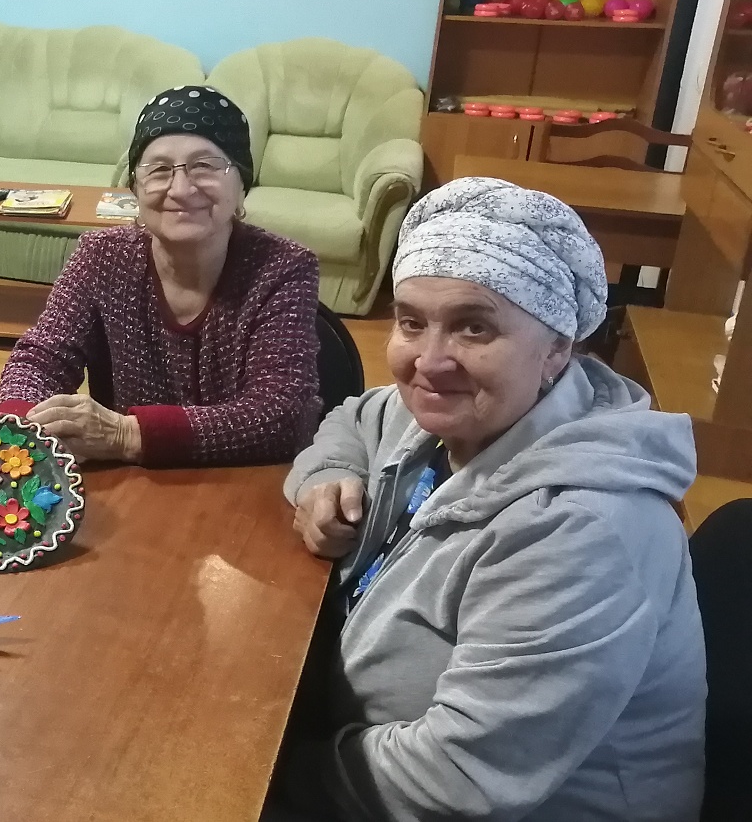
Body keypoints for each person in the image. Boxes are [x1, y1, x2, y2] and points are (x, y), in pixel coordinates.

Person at [278, 177, 705, 821]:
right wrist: (328, 475)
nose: (429, 361)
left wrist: (263, 768)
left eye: (473, 327)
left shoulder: (583, 532)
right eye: (411, 322)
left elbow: (459, 780)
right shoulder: (448, 410)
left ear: (558, 348)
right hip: (354, 741)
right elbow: (354, 416)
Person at [0, 85, 320, 466]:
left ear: (241, 183)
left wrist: (124, 434)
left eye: (205, 166)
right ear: (135, 188)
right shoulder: (101, 256)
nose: (180, 189)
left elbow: (282, 415)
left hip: (242, 483)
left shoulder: (283, 268)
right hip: (132, 485)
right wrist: (22, 428)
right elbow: (41, 358)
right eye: (160, 170)